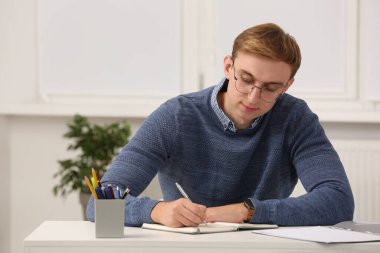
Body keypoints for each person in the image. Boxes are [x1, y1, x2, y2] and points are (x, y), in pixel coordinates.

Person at [87, 23, 354, 227]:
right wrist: (156, 210)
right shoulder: (176, 116)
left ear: (287, 86)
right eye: (246, 79)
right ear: (228, 67)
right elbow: (100, 202)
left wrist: (247, 211)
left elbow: (338, 201)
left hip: (264, 247)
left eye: (271, 88)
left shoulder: (296, 119)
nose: (253, 97)